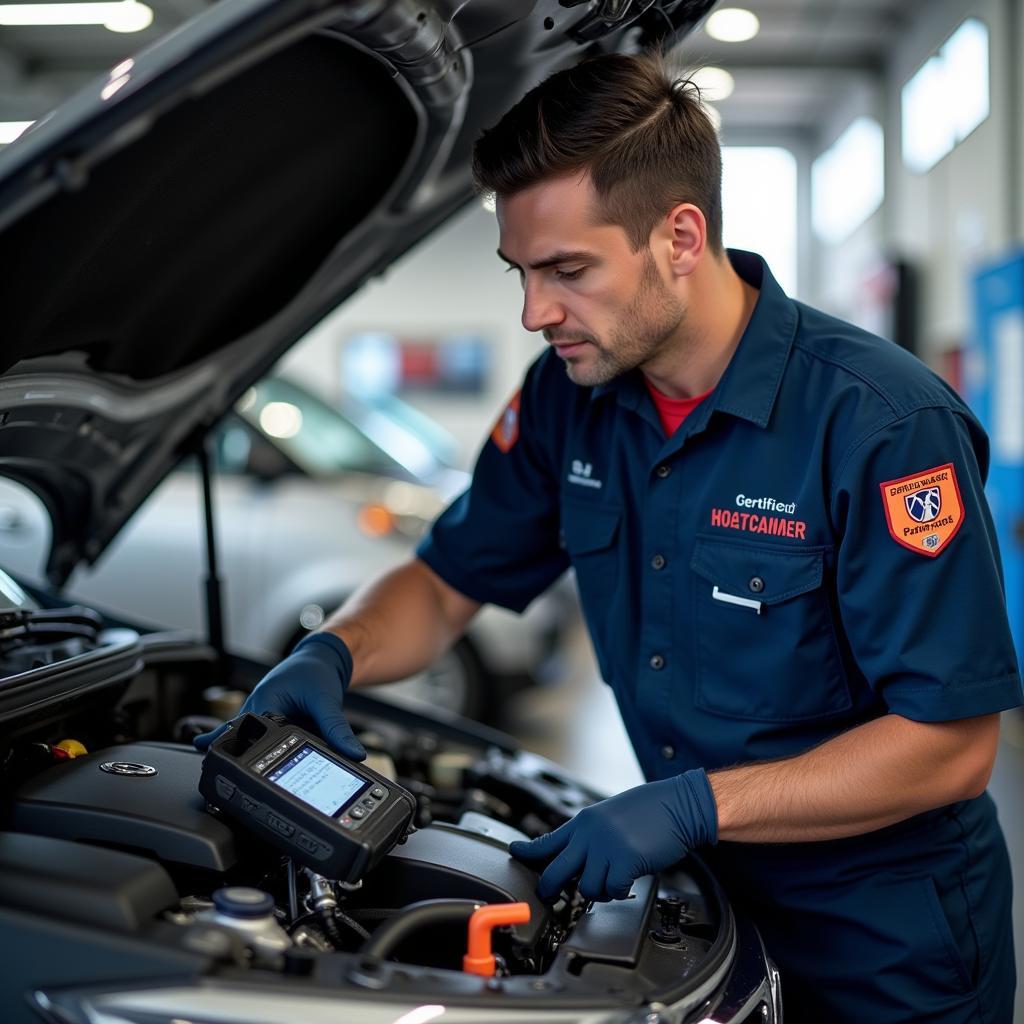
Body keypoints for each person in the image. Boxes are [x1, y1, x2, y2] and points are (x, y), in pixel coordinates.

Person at [196, 51, 1022, 1023]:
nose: (534, 311)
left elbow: (950, 745)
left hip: (886, 949)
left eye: (566, 270)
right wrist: (332, 651)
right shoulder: (569, 398)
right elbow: (447, 580)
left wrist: (691, 804)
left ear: (679, 236)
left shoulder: (880, 425)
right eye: (521, 271)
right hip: (701, 913)